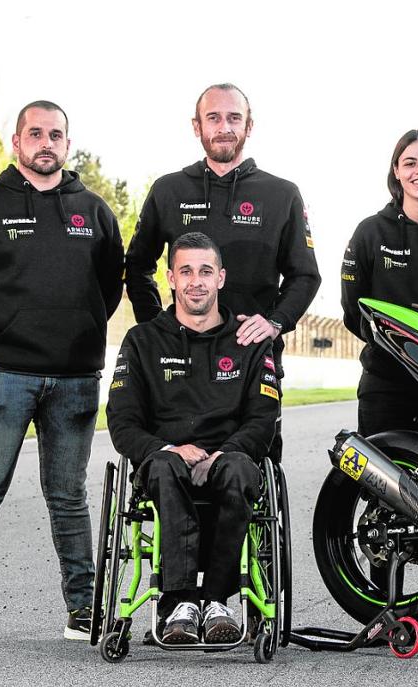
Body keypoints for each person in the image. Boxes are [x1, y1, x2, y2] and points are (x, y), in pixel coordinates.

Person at [0, 100, 124, 645]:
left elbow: (108, 289)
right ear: (15, 142)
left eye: (55, 134)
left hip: (73, 380)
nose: (46, 142)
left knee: (69, 497)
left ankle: (83, 611)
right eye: (34, 133)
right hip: (0, 375)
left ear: (68, 144)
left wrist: (76, 333)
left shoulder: (95, 211)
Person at [124, 83, 320, 460]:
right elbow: (137, 267)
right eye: (213, 117)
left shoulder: (282, 194)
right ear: (197, 126)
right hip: (177, 359)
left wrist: (275, 322)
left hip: (250, 357)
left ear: (250, 126)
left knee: (249, 472)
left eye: (234, 118)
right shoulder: (168, 190)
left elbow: (305, 275)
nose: (224, 126)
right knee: (175, 468)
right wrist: (157, 329)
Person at [107, 232, 280, 645]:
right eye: (186, 271)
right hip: (165, 462)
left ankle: (218, 602)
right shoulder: (142, 341)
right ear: (170, 278)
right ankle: (180, 602)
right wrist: (169, 449)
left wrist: (224, 453)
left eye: (205, 271)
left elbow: (263, 417)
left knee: (241, 469)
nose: (196, 281)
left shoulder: (250, 342)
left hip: (228, 459)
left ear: (221, 278)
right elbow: (122, 420)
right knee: (165, 467)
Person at [341, 129, 418, 442]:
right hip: (385, 379)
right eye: (409, 163)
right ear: (396, 171)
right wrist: (398, 348)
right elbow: (353, 308)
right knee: (379, 481)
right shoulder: (370, 232)